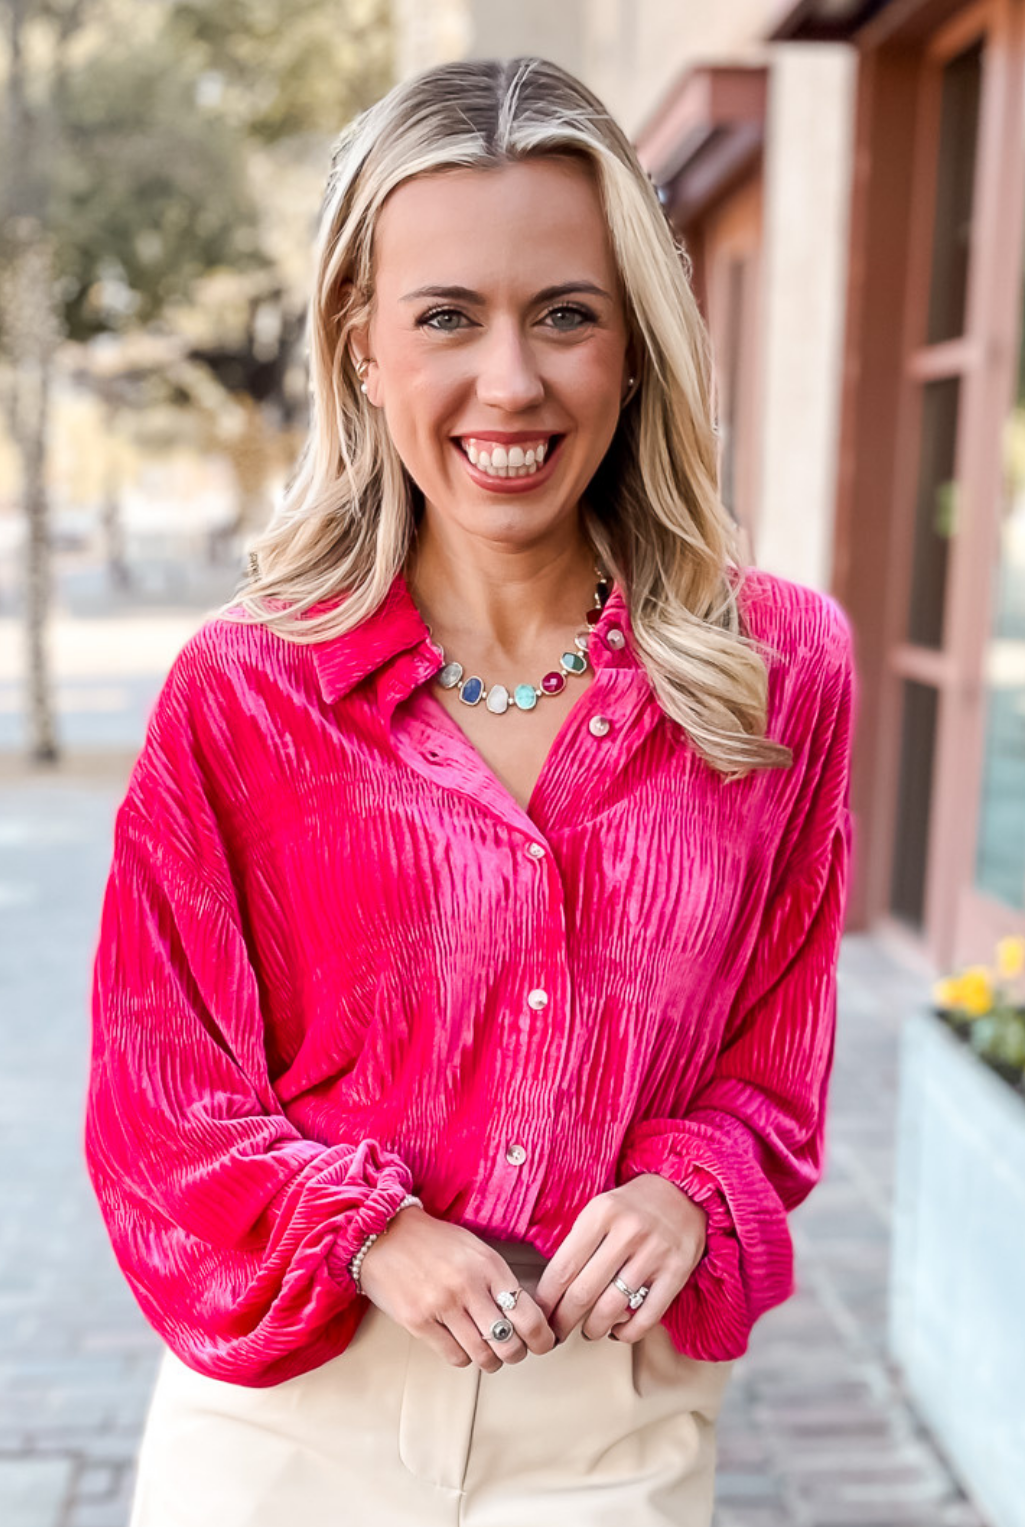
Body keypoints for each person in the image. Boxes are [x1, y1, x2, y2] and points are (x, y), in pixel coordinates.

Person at [85, 54, 858, 1527]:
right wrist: (365, 1232)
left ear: (636, 346)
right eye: (448, 317)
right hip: (291, 1415)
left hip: (609, 1432)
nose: (511, 382)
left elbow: (777, 1062)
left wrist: (690, 1184)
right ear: (362, 347)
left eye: (565, 314)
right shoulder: (241, 694)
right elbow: (157, 1100)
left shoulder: (777, 676)